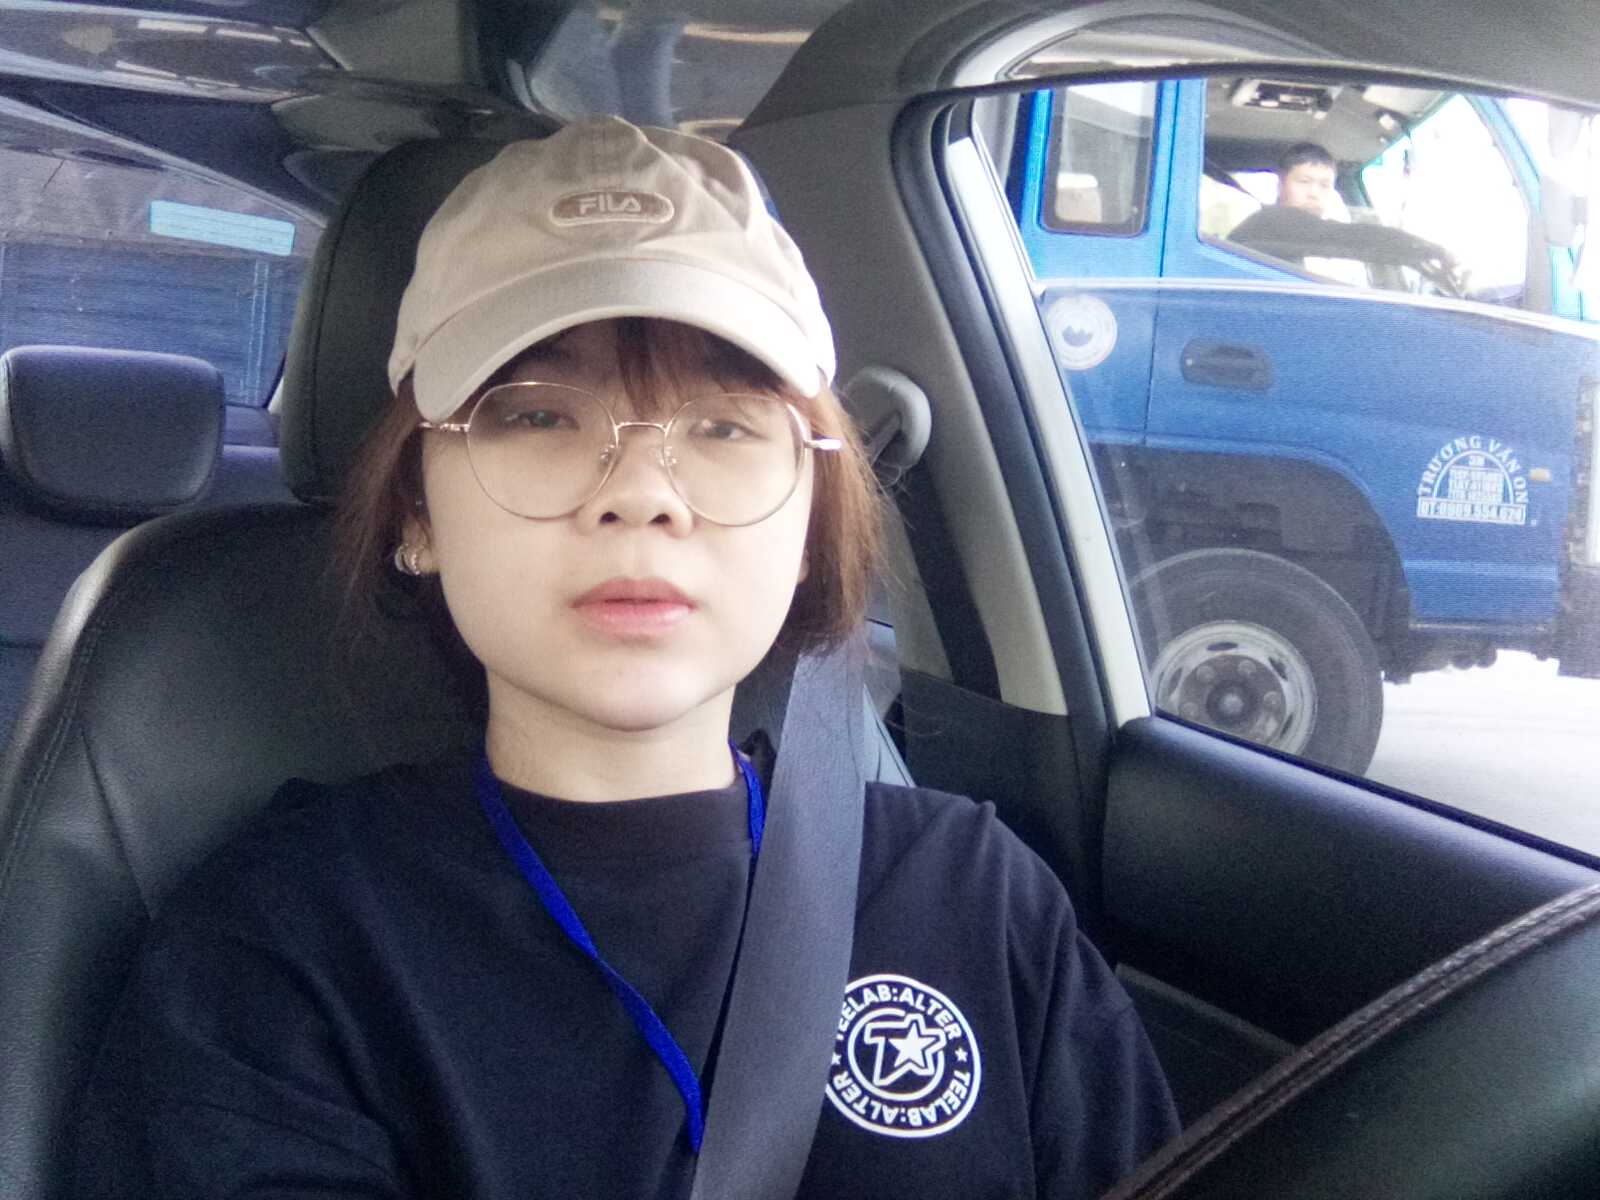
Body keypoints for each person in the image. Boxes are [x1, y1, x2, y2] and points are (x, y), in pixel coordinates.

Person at [73, 116, 1179, 1199]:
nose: (642, 494)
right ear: (416, 510)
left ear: (808, 514)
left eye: (725, 426)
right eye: (539, 417)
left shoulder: (976, 894)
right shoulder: (281, 947)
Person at [1228, 141, 1458, 291]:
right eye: (1304, 181)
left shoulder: (1308, 240)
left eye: (1324, 185)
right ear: (1281, 185)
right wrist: (1428, 250)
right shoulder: (1269, 222)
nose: (1314, 193)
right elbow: (1350, 237)